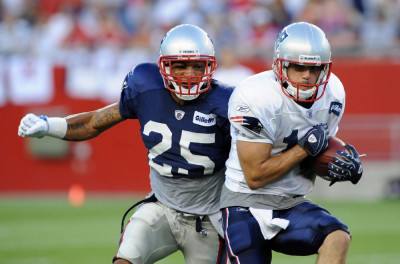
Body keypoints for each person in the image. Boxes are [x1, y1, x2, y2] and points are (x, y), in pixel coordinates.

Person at [18, 24, 233, 264]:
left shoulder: (226, 104)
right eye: (180, 65)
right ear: (164, 66)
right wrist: (49, 126)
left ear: (210, 66)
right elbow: (94, 122)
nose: (189, 74)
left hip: (208, 219)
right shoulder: (145, 87)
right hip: (161, 207)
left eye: (198, 66)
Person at [220, 22, 363, 264]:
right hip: (244, 204)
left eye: (314, 68)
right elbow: (255, 176)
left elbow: (318, 152)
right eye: (298, 67)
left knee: (337, 237)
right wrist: (304, 149)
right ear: (280, 66)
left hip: (292, 203)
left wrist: (339, 162)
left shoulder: (333, 93)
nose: (307, 75)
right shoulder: (256, 95)